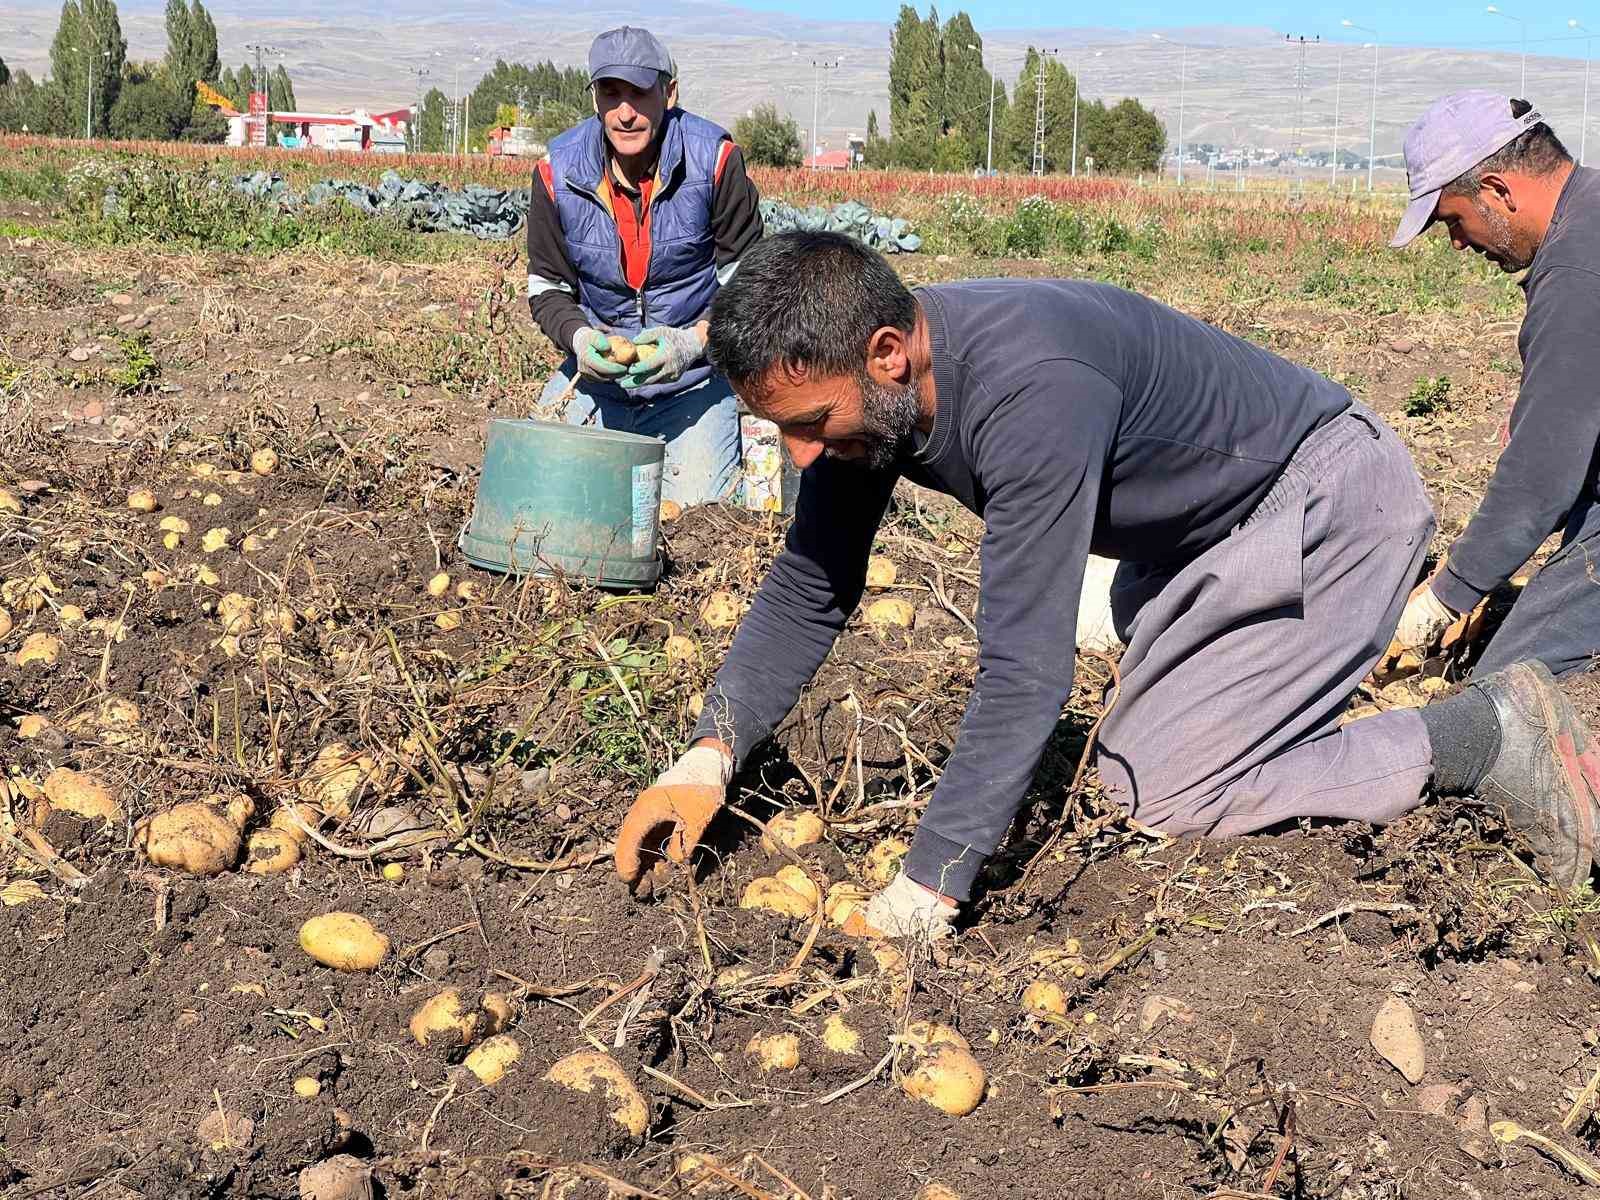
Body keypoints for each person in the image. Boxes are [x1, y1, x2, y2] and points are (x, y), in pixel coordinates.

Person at [613, 231, 1600, 936]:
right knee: (1113, 674)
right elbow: (811, 581)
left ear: (884, 352)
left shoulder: (1027, 389)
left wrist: (931, 879)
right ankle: (1270, 675)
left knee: (1166, 788)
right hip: (1204, 531)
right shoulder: (881, 385)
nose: (797, 452)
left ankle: (1485, 734)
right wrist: (711, 750)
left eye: (809, 422)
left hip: (1330, 503)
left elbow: (1022, 672)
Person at [1388, 90, 1600, 679]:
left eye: (1454, 220)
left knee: (1505, 696)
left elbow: (1543, 472)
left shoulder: (1578, 270)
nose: (1457, 243)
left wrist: (1446, 596)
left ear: (1499, 191)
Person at [525, 26, 763, 507]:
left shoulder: (715, 162)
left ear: (669, 93)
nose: (625, 112)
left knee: (696, 518)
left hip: (692, 385)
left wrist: (692, 342)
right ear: (595, 98)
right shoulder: (557, 171)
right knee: (539, 497)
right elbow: (547, 286)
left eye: (640, 92)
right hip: (595, 383)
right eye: (611, 93)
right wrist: (581, 339)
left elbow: (752, 290)